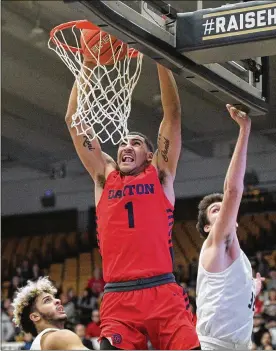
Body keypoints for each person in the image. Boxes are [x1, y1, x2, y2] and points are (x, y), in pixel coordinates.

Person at [66, 62, 199, 350]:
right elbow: (73, 120)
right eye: (123, 142)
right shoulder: (104, 177)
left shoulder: (160, 175)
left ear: (150, 156)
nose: (126, 146)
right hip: (119, 297)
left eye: (136, 143)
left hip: (163, 292)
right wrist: (87, 67)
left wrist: (159, 59)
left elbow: (173, 116)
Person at [195, 105, 265, 350]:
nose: (223, 209)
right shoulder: (215, 242)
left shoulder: (239, 260)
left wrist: (252, 289)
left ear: (234, 220)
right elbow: (233, 191)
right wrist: (244, 130)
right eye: (216, 210)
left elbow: (231, 298)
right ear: (207, 228)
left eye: (224, 209)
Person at [12, 277, 89, 350]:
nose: (58, 300)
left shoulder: (39, 342)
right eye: (47, 300)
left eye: (54, 298)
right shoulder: (59, 336)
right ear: (35, 316)